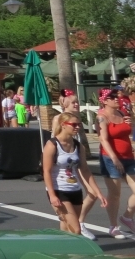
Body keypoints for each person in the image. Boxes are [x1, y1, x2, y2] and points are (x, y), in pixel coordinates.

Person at [42, 111, 107, 235]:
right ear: (63, 125)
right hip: (59, 190)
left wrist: (99, 193)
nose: (77, 127)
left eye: (79, 125)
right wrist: (52, 195)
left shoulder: (78, 146)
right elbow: (47, 171)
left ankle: (65, 252)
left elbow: (85, 170)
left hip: (75, 189)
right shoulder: (52, 145)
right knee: (76, 229)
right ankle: (74, 254)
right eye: (74, 124)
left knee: (67, 227)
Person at [98, 87, 135, 238]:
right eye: (112, 97)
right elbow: (103, 139)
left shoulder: (122, 113)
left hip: (128, 157)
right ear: (105, 101)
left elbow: (129, 132)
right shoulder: (101, 117)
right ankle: (113, 226)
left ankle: (127, 216)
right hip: (110, 158)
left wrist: (132, 121)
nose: (116, 99)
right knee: (115, 194)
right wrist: (114, 158)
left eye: (116, 96)